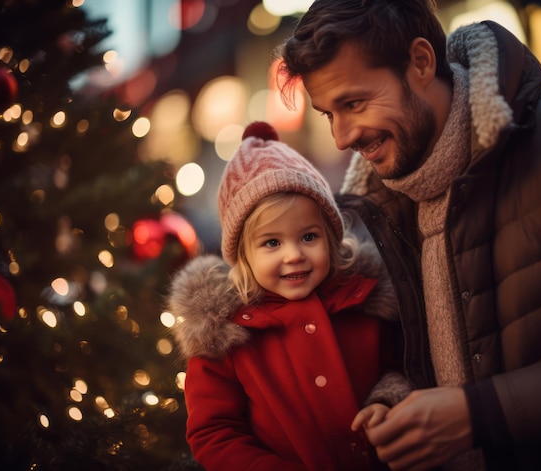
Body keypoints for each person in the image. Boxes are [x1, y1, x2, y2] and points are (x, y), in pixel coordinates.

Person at [275, 1, 541, 470]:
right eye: (328, 114)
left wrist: (479, 415)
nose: (341, 137)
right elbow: (417, 357)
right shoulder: (372, 211)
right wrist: (391, 398)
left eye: (353, 103)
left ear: (420, 62)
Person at [167, 121, 413, 470]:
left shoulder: (365, 304)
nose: (294, 254)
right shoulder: (224, 337)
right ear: (243, 255)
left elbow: (403, 367)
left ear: (331, 237)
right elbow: (215, 434)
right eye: (271, 243)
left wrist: (387, 402)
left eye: (309, 237)